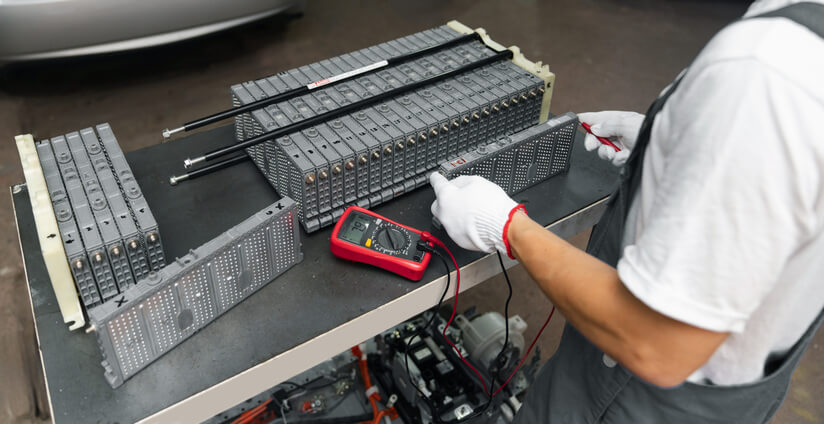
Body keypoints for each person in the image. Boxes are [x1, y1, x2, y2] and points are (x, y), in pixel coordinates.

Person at [428, 1, 824, 422]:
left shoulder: (765, 74)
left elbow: (657, 344)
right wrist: (677, 149)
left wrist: (507, 226)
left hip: (630, 398)